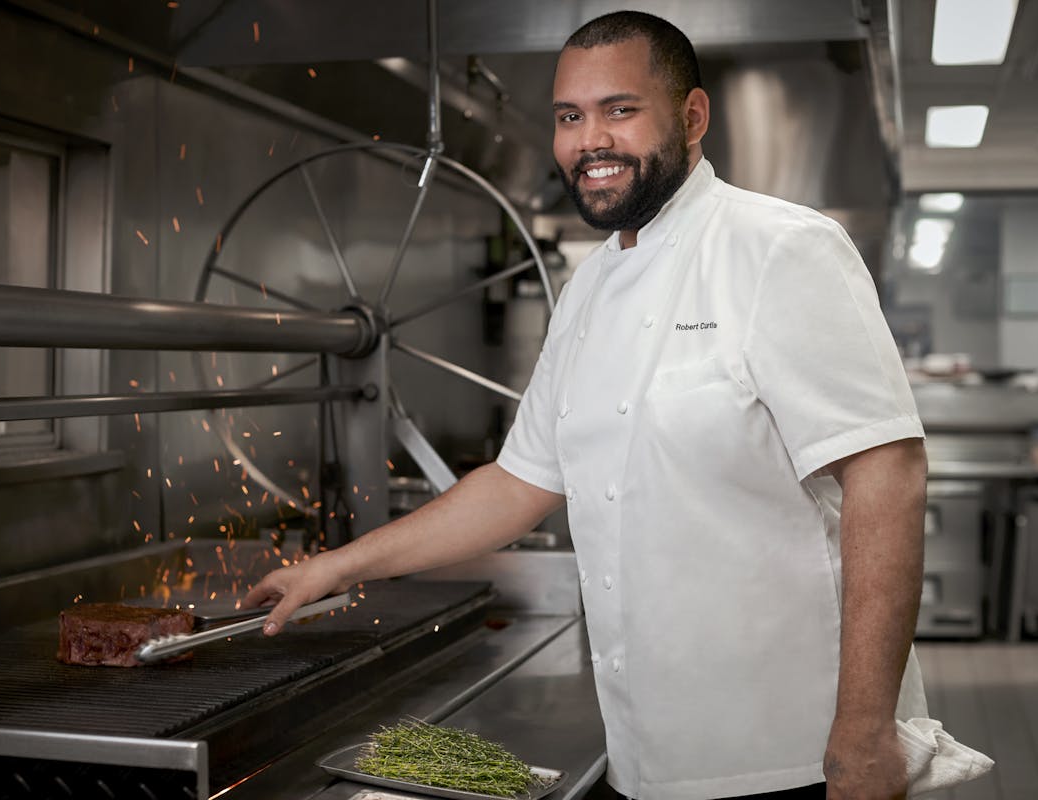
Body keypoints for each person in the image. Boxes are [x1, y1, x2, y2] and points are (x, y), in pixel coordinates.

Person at [243, 9, 929, 800]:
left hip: (790, 753)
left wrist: (866, 732)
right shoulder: (588, 290)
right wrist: (335, 568)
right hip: (647, 753)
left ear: (693, 117)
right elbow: (518, 484)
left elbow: (888, 474)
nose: (589, 141)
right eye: (570, 116)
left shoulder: (779, 249)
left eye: (620, 110)